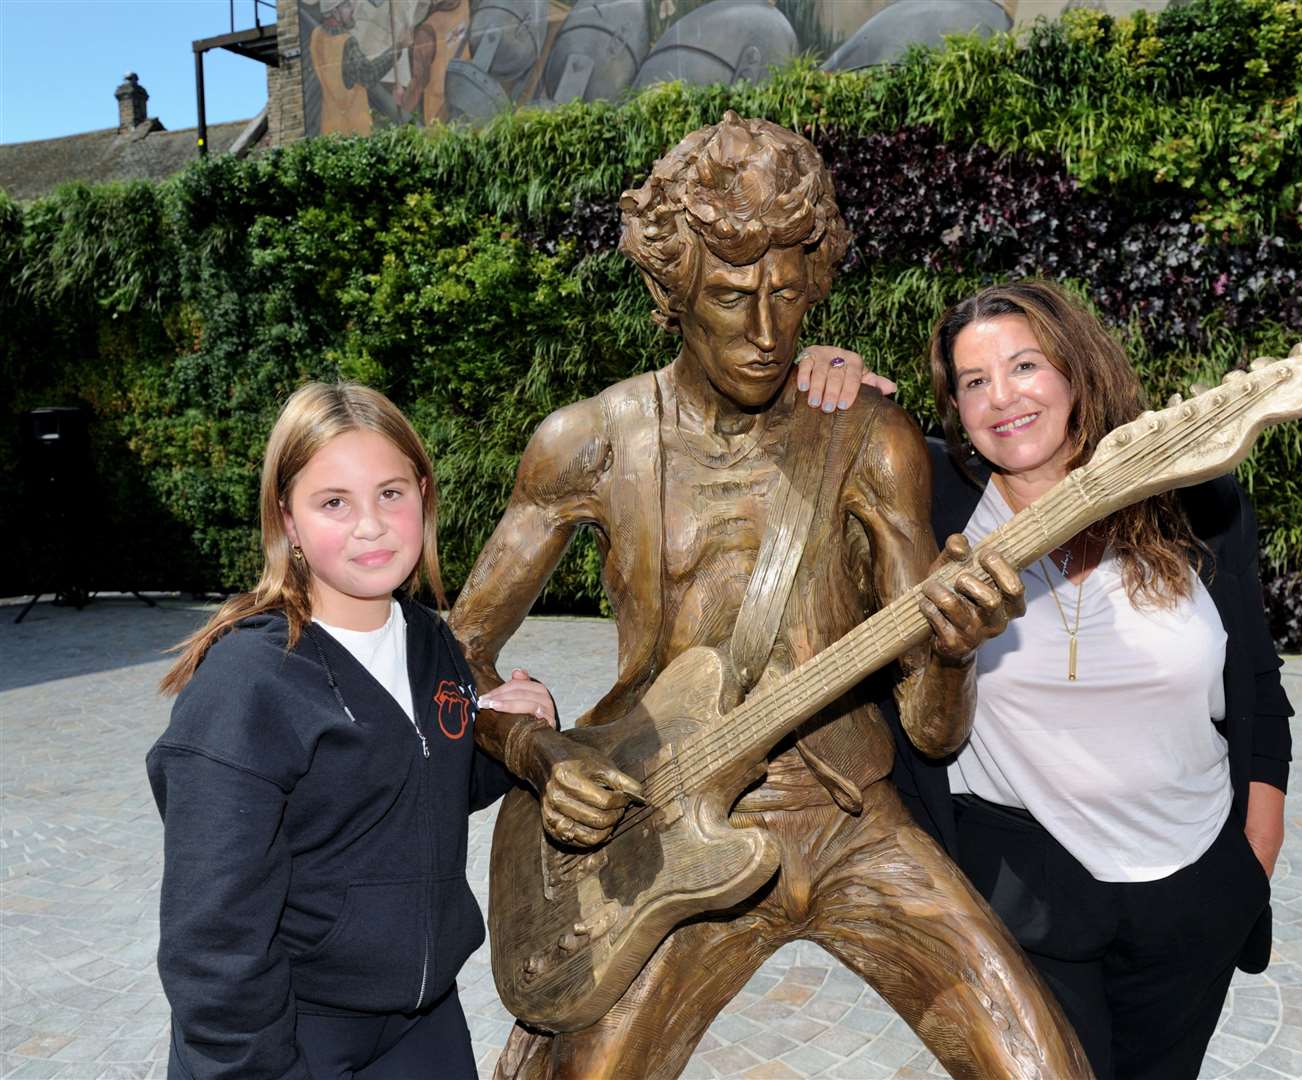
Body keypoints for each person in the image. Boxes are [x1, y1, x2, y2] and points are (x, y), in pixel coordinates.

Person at [449, 113, 1090, 1080]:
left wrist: (952, 651)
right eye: (728, 296)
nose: (764, 332)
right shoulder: (588, 441)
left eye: (789, 296)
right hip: (669, 833)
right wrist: (536, 753)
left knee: (1040, 1063)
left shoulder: (870, 438)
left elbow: (932, 733)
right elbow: (453, 658)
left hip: (851, 819)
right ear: (672, 292)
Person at [796, 279, 1293, 1079]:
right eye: (973, 382)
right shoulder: (932, 507)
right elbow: (776, 451)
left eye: (1024, 366)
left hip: (1194, 883)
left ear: (1075, 371)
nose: (1002, 398)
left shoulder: (1193, 500)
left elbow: (1259, 689)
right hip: (1022, 886)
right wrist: (820, 381)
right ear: (954, 406)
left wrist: (1251, 858)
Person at [148, 382, 557, 1079]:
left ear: (424, 497)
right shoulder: (249, 686)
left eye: (391, 493)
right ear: (289, 521)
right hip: (292, 1035)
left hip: (424, 1025)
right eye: (334, 502)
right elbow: (212, 942)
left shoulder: (432, 641)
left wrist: (507, 731)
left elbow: (410, 781)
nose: (370, 524)